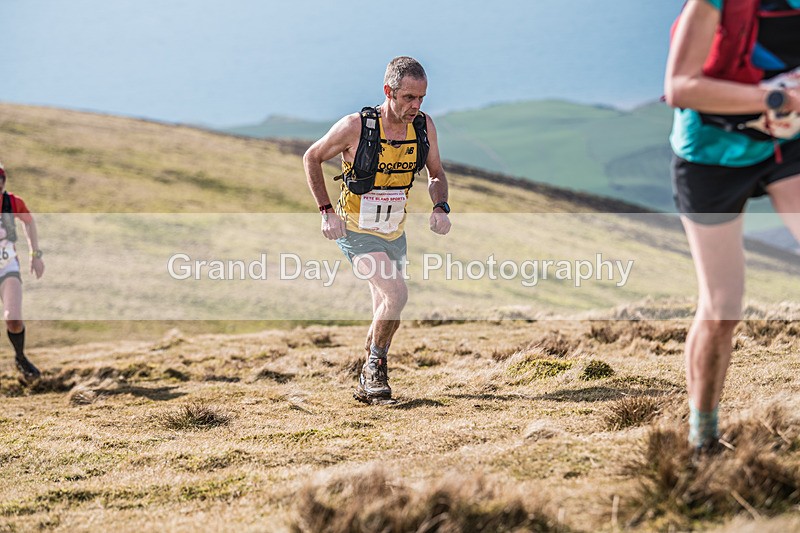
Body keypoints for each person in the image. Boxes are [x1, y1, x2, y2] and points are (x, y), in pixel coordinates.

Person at [665, 0, 800, 451]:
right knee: (723, 307)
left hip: (788, 145)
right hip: (711, 156)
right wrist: (775, 97)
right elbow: (681, 86)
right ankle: (703, 436)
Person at [304, 56, 451, 404]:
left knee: (387, 309)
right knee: (397, 295)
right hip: (355, 230)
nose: (415, 106)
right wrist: (326, 212)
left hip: (393, 232)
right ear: (389, 91)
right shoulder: (356, 126)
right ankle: (374, 371)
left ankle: (367, 377)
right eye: (408, 98)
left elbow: (436, 174)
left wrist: (440, 205)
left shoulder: (423, 127)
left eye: (421, 99)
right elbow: (312, 157)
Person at [0, 161, 45, 383]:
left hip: (8, 267)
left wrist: (35, 255)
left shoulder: (12, 202)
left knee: (14, 320)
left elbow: (29, 222)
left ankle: (20, 357)